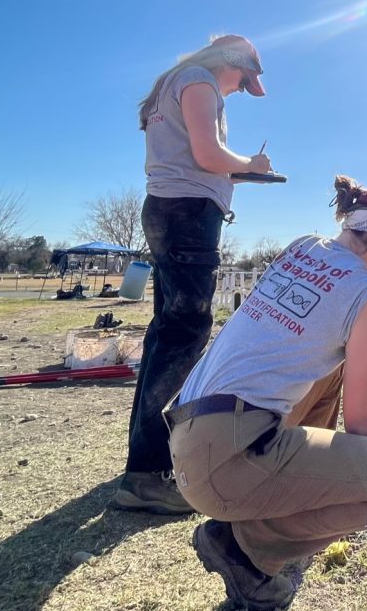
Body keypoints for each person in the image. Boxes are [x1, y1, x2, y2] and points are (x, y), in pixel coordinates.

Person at [166, 176, 367, 611]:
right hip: (225, 464)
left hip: (189, 436)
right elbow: (362, 420)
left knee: (329, 373)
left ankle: (277, 496)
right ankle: (243, 547)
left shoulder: (305, 245)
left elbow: (292, 323)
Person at [111, 34, 271, 514]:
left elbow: (197, 158)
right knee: (185, 333)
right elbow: (207, 156)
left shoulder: (174, 84)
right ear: (230, 62)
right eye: (243, 80)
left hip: (170, 208)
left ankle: (146, 461)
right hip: (187, 215)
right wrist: (253, 163)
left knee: (167, 333)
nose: (240, 89)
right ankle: (149, 473)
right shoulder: (200, 80)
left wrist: (240, 173)